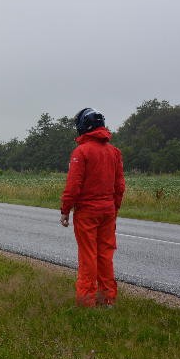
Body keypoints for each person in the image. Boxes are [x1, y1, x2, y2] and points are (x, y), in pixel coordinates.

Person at [60, 108, 125, 308]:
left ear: (82, 127)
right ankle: (107, 300)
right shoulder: (114, 152)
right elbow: (120, 186)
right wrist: (114, 208)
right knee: (105, 256)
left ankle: (87, 301)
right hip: (108, 210)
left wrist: (65, 210)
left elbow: (73, 185)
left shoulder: (81, 151)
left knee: (88, 256)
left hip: (87, 211)